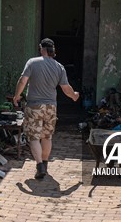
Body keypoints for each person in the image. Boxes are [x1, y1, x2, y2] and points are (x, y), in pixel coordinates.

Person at [12, 38, 80, 179]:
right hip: (51, 107)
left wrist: (17, 95)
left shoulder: (32, 62)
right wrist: (74, 96)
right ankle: (45, 163)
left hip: (34, 106)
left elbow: (23, 80)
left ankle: (39, 166)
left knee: (33, 137)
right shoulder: (59, 67)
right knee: (47, 136)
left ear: (42, 49)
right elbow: (66, 89)